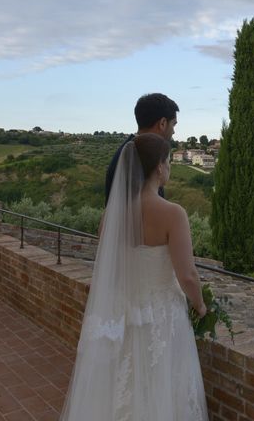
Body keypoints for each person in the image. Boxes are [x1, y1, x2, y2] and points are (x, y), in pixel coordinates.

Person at [61, 133, 208, 420]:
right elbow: (187, 275)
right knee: (161, 388)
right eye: (168, 161)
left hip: (124, 315)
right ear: (159, 168)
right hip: (163, 321)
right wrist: (201, 306)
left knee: (122, 388)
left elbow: (110, 267)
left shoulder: (111, 216)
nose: (170, 167)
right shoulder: (173, 214)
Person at [105, 93, 179, 205]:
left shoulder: (130, 150)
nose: (173, 131)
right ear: (163, 123)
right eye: (173, 124)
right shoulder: (136, 156)